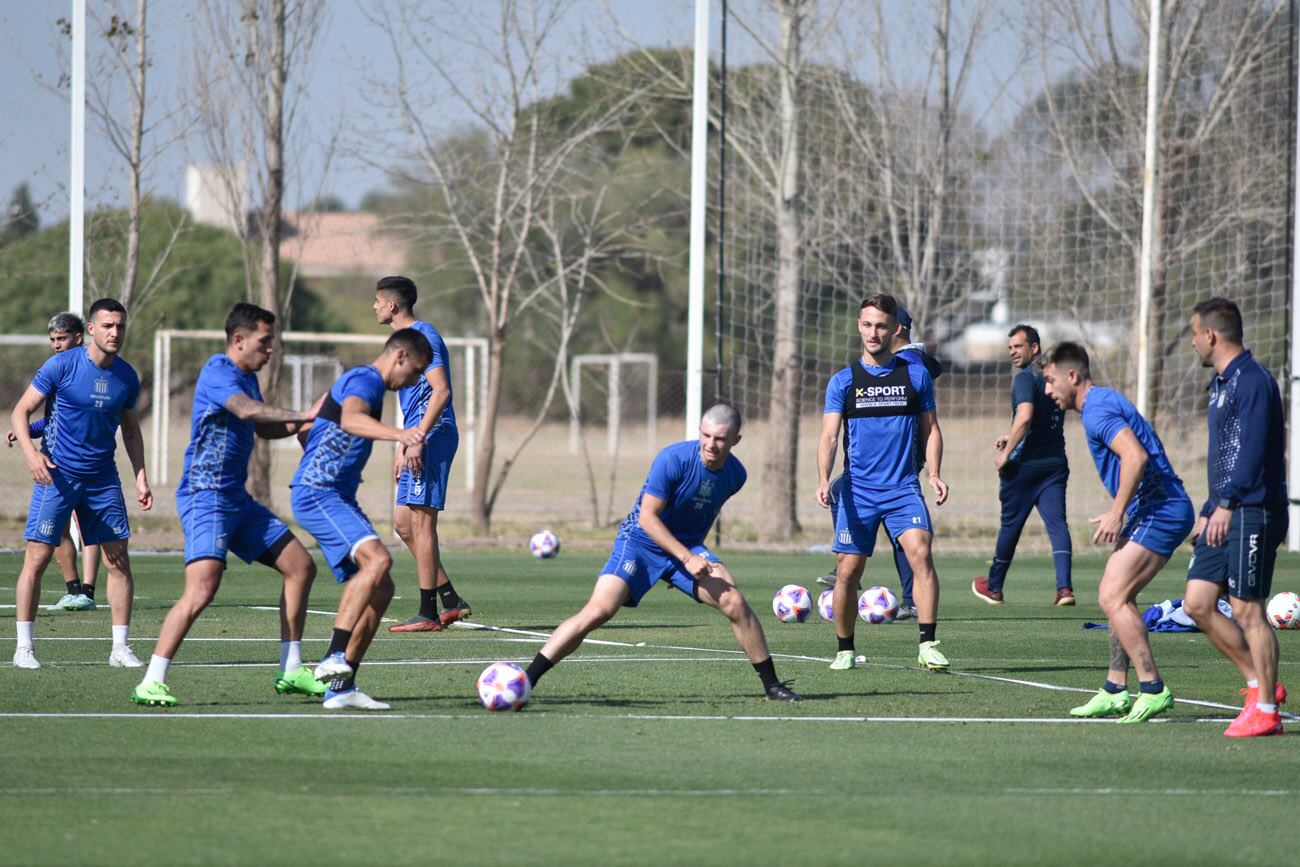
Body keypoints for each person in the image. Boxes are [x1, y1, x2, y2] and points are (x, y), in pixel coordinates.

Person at [522, 404, 801, 703]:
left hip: (687, 548)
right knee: (598, 611)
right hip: (640, 542)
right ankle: (526, 680)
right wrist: (687, 558)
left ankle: (772, 686)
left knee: (734, 602)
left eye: (720, 438)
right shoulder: (672, 459)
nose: (711, 444)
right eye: (705, 435)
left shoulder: (736, 475)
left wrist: (691, 557)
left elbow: (697, 513)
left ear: (736, 440)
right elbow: (648, 519)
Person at [131, 304, 323, 708]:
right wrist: (304, 413)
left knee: (301, 567)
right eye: (264, 341)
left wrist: (306, 424)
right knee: (202, 588)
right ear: (239, 340)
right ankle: (152, 679)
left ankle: (291, 670)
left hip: (237, 499)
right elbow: (246, 410)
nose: (271, 349)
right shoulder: (219, 370)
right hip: (207, 497)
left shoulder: (249, 379)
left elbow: (265, 426)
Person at [1041, 342, 1194, 724]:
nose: (1047, 390)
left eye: (1049, 380)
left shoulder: (1098, 410)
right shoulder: (1101, 403)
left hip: (1161, 508)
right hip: (1155, 507)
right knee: (1116, 595)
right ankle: (1114, 689)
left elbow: (1136, 456)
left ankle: (1153, 688)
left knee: (1113, 595)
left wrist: (1116, 511)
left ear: (1072, 376)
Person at [10, 298, 151, 670]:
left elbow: (131, 431)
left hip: (103, 479)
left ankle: (120, 648)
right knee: (38, 559)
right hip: (58, 476)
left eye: (120, 326)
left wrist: (140, 476)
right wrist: (31, 455)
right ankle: (24, 647)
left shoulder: (126, 376)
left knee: (118, 560)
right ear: (90, 329)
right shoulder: (61, 364)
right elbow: (20, 412)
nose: (115, 332)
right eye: (107, 326)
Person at [291, 329, 429, 710]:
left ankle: (341, 686)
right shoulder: (365, 380)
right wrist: (401, 435)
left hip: (333, 494)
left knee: (381, 587)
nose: (414, 381)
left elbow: (310, 426)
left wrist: (324, 457)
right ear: (399, 356)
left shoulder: (364, 384)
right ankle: (334, 655)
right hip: (319, 494)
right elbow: (351, 419)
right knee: (378, 560)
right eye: (415, 372)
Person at [816, 293, 950, 673]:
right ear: (859, 326)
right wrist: (824, 479)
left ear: (895, 330)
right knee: (847, 571)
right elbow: (828, 437)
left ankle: (928, 644)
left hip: (903, 488)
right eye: (867, 325)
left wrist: (935, 473)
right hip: (859, 491)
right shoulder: (843, 382)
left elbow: (932, 429)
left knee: (920, 554)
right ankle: (844, 648)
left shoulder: (916, 375)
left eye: (881, 326)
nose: (873, 333)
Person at [1181, 299, 1288, 737]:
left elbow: (1253, 451)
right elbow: (1222, 457)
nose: (1191, 342)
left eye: (1193, 333)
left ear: (1211, 335)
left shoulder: (1254, 381)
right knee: (1198, 603)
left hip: (1253, 509)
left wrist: (1226, 504)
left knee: (1247, 609)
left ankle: (1267, 710)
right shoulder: (1220, 384)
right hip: (1223, 510)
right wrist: (1210, 511)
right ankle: (1257, 684)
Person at [371, 276, 472, 633]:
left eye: (378, 301)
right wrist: (403, 444)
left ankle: (428, 613)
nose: (375, 307)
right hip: (417, 436)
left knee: (421, 521)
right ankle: (450, 600)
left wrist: (418, 439)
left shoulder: (424, 336)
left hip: (433, 435)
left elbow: (440, 392)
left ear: (393, 306)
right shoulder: (403, 340)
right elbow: (413, 401)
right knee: (402, 524)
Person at [6, 311, 102, 611]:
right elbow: (53, 421)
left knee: (91, 529)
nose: (56, 345)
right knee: (56, 532)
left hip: (87, 467)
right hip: (55, 467)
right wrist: (27, 433)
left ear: (79, 336)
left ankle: (88, 589)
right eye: (52, 340)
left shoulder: (93, 371)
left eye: (61, 339)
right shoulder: (56, 369)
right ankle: (74, 590)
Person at [972, 324, 1074, 606]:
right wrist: (1012, 436)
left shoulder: (1024, 379)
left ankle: (994, 587)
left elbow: (1026, 416)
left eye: (1018, 346)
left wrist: (1006, 454)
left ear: (1034, 347)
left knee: (1011, 526)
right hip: (1055, 464)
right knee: (1057, 525)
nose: (1012, 352)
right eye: (1010, 348)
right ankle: (1064, 589)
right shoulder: (1053, 378)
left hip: (1026, 468)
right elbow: (1038, 422)